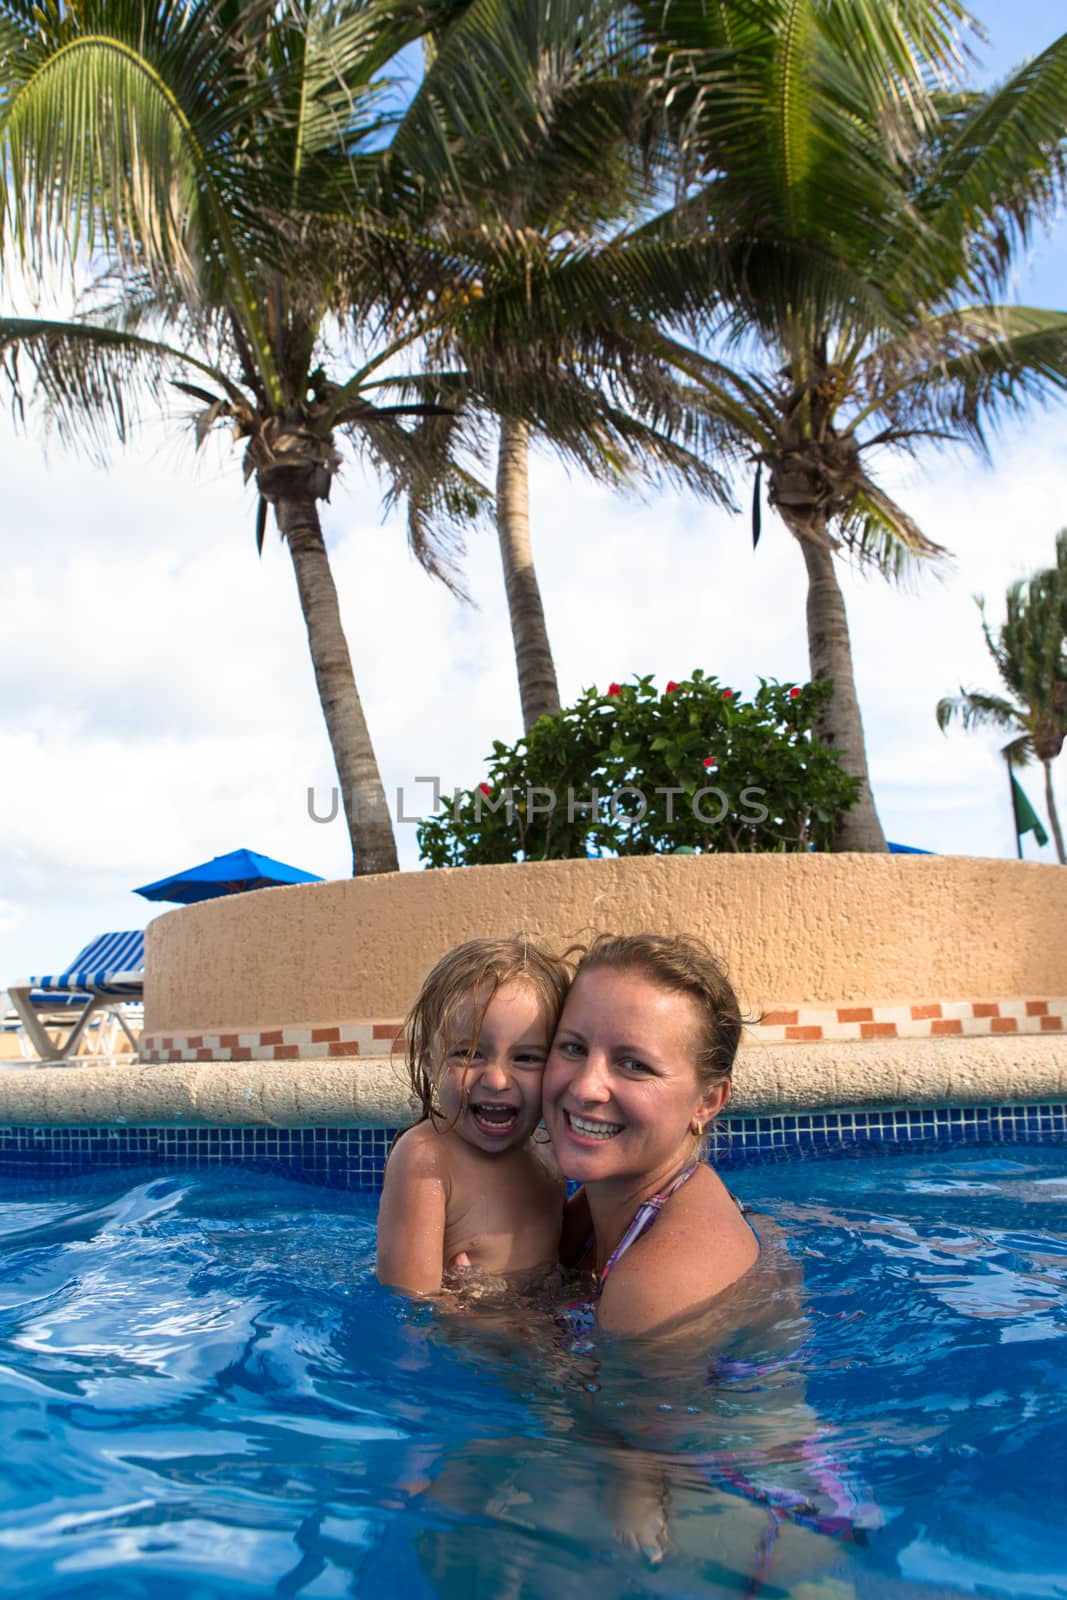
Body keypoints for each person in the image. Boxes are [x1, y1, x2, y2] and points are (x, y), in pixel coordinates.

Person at [545, 931, 759, 1336]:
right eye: (573, 1048)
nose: (585, 1087)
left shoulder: (657, 1286)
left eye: (635, 1065)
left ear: (707, 1102)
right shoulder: (601, 1208)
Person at [376, 936, 570, 1295]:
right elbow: (409, 1312)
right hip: (465, 1345)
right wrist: (463, 1316)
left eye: (527, 1057)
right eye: (469, 1054)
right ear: (430, 1061)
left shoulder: (548, 1153)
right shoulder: (427, 1159)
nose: (496, 1080)